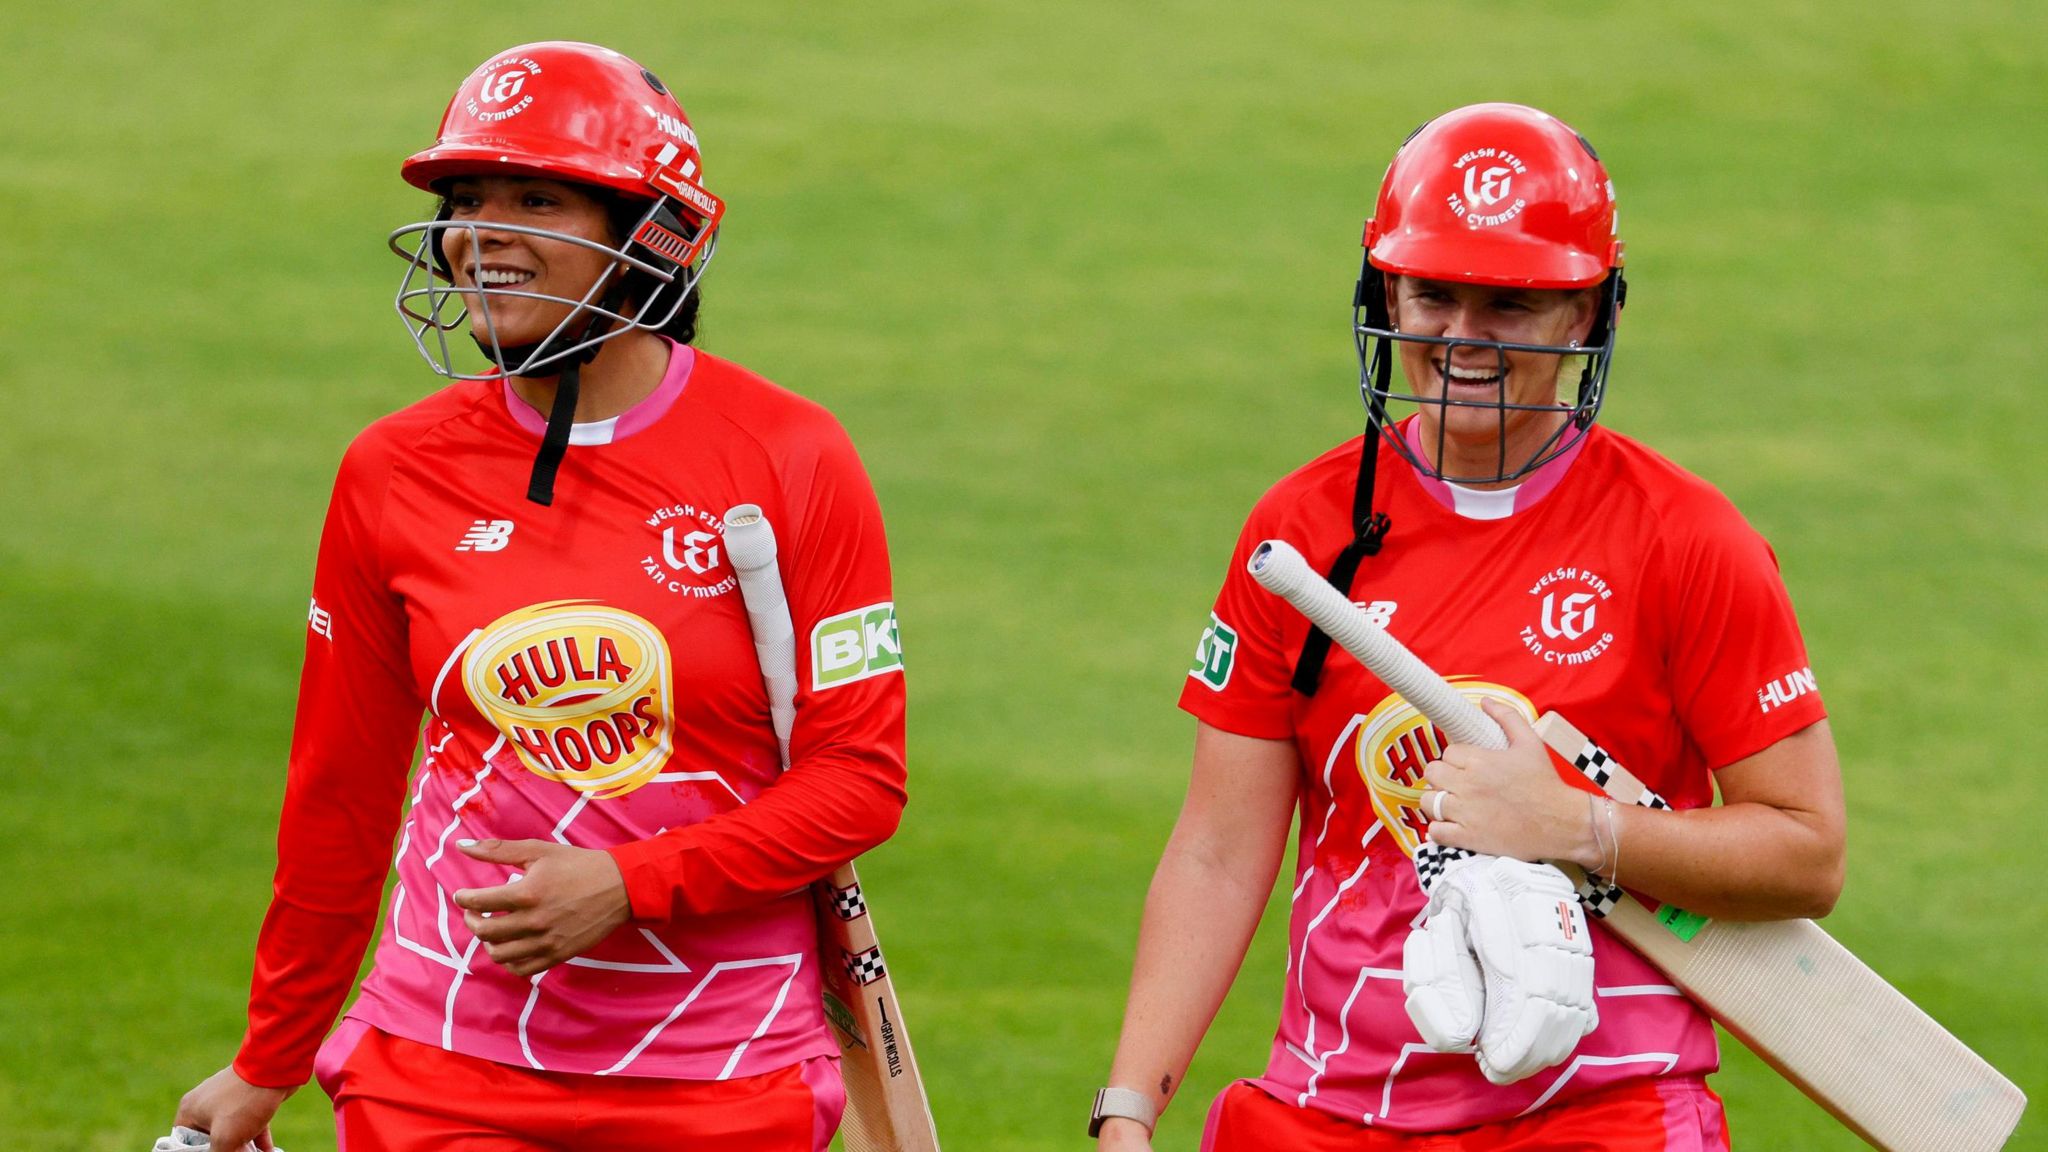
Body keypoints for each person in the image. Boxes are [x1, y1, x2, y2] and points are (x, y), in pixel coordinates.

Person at [173, 41, 907, 1151]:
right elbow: (341, 797)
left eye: (535, 198)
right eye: (468, 199)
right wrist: (270, 1056)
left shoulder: (792, 458)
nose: (481, 235)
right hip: (436, 1063)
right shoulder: (391, 471)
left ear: (649, 236)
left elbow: (857, 783)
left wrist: (629, 883)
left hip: (723, 1075)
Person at [1093, 102, 1844, 1150]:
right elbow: (1218, 851)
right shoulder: (1301, 533)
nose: (1458, 337)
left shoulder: (1684, 538)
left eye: (1509, 304)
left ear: (1585, 316)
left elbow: (1806, 852)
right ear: (1381, 292)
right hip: (1328, 1111)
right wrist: (1128, 1106)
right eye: (1430, 294)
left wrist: (1584, 829)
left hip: (1600, 1115)